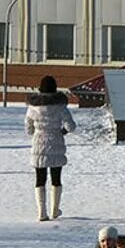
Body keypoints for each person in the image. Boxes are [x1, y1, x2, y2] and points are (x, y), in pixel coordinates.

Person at [24, 76, 75, 221]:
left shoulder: (32, 107)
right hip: (56, 142)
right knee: (56, 178)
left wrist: (37, 132)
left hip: (38, 143)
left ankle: (41, 212)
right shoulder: (60, 107)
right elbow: (71, 126)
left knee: (40, 179)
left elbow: (28, 129)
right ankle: (54, 210)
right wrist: (61, 132)